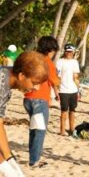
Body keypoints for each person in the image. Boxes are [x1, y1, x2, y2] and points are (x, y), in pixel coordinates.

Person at [22, 37, 60, 168]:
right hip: (39, 99)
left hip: (28, 97)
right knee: (39, 131)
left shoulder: (32, 59)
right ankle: (34, 160)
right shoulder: (47, 62)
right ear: (50, 50)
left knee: (33, 129)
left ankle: (33, 158)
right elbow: (54, 80)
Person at [55, 44, 81, 136]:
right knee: (64, 111)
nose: (69, 53)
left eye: (70, 51)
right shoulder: (59, 62)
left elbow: (76, 77)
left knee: (72, 110)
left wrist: (79, 91)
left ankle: (71, 129)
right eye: (67, 51)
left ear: (73, 52)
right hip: (63, 90)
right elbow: (57, 77)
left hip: (73, 90)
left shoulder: (75, 62)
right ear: (64, 51)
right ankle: (62, 130)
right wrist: (56, 91)